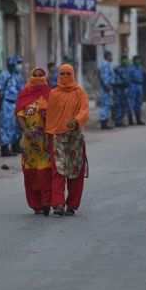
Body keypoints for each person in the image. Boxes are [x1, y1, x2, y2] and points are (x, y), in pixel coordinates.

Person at [45, 64, 90, 217]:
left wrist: (76, 120)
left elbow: (84, 110)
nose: (65, 77)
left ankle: (72, 205)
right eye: (62, 73)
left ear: (73, 74)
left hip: (74, 137)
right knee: (58, 170)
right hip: (57, 136)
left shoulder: (79, 92)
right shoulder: (53, 93)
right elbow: (50, 116)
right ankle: (57, 204)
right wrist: (48, 135)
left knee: (76, 170)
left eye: (68, 73)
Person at [16, 68, 52, 216]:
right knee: (30, 173)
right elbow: (19, 114)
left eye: (41, 75)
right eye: (35, 75)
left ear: (45, 77)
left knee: (45, 172)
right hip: (29, 142)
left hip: (45, 141)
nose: (38, 78)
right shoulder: (25, 93)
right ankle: (35, 204)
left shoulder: (50, 94)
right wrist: (25, 130)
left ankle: (46, 202)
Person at [0, 55, 25, 157]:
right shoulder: (4, 75)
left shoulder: (18, 76)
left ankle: (15, 145)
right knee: (6, 125)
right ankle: (5, 148)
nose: (18, 66)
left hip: (17, 103)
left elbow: (22, 90)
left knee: (17, 126)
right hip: (7, 103)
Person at [97, 51, 115, 130]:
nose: (112, 57)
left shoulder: (107, 64)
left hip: (107, 87)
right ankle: (103, 123)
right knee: (105, 105)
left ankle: (105, 122)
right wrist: (106, 86)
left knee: (107, 105)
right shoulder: (105, 65)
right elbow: (103, 77)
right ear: (107, 56)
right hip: (105, 88)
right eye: (111, 56)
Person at [113, 55, 131, 127]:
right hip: (119, 89)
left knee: (124, 105)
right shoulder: (117, 69)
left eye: (126, 59)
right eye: (124, 59)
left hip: (125, 89)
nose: (125, 61)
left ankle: (121, 120)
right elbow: (116, 80)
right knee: (118, 105)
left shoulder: (127, 69)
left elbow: (128, 79)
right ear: (121, 60)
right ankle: (118, 121)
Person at [128, 55, 146, 126]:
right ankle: (130, 120)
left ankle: (138, 119)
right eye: (136, 60)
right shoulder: (131, 68)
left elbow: (142, 77)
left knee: (139, 103)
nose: (138, 61)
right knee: (131, 103)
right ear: (134, 61)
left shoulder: (140, 68)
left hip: (139, 85)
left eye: (139, 60)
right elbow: (129, 78)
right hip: (133, 85)